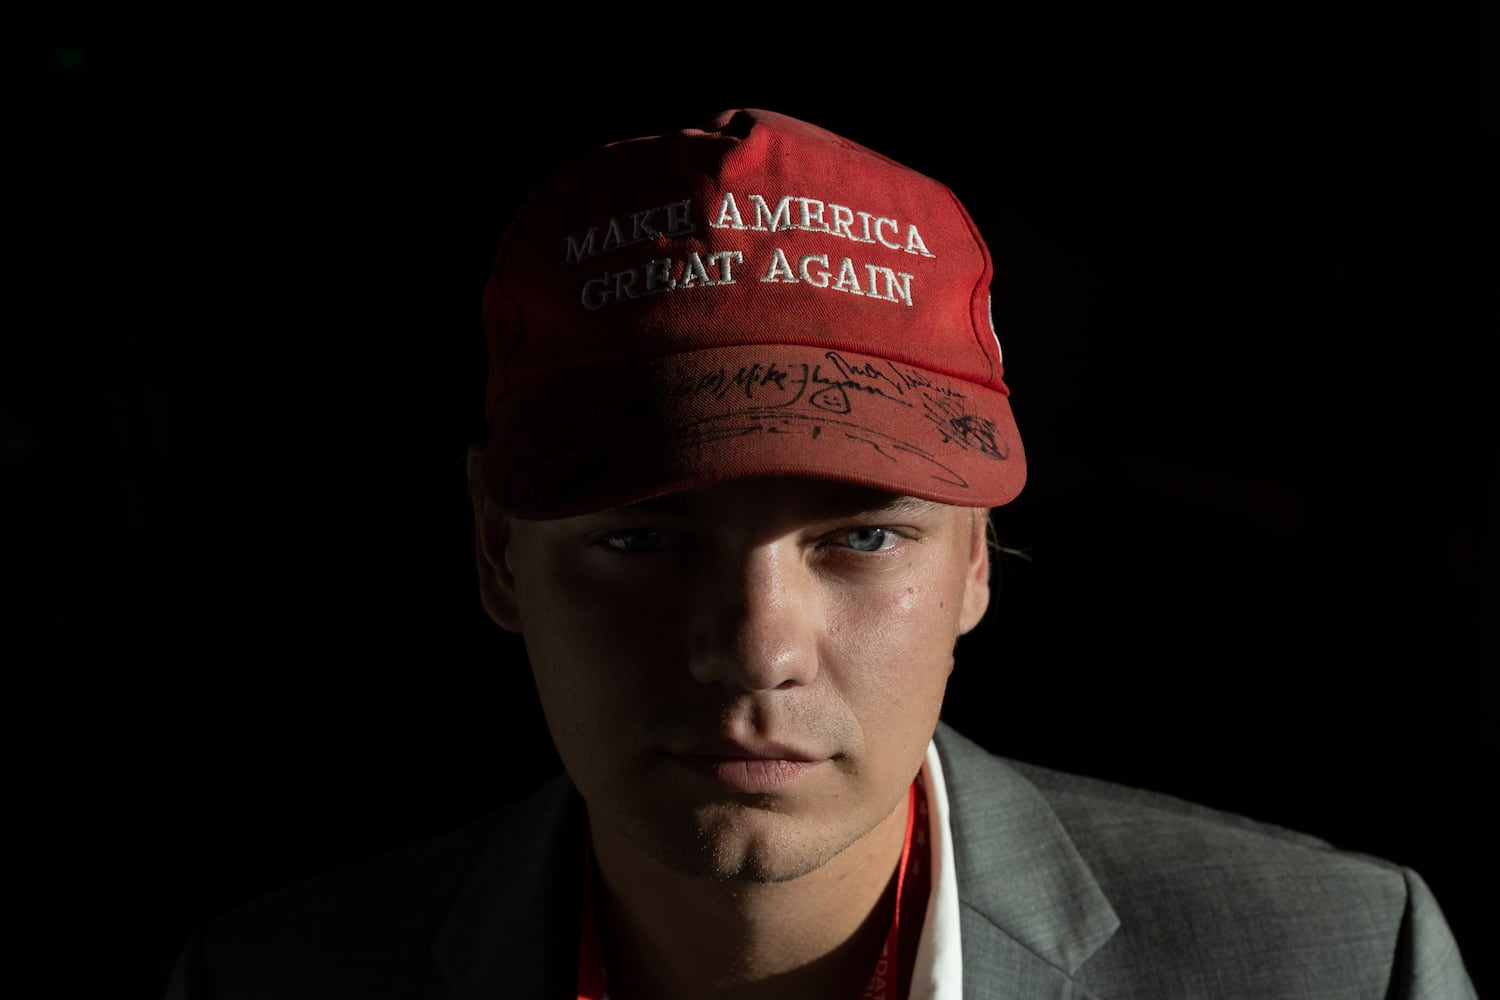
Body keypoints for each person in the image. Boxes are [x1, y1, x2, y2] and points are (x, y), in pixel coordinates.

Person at [165, 108, 1477, 999]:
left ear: (975, 563)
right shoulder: (274, 979)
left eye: (859, 535)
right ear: (498, 552)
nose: (753, 648)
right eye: (642, 535)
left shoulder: (1341, 967)